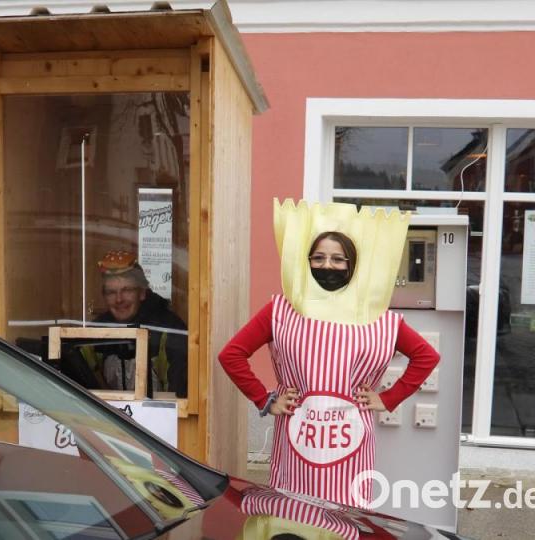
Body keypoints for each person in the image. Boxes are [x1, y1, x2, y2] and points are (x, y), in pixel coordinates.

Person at [218, 200, 440, 508]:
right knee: (293, 514)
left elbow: (426, 356)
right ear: (305, 262)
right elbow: (232, 354)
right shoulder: (281, 310)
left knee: (347, 520)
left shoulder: (378, 317)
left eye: (338, 259)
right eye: (319, 257)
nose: (328, 265)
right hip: (295, 447)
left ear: (353, 265)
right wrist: (265, 399)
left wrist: (387, 399)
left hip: (352, 450)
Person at [61, 250, 188, 397]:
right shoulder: (97, 332)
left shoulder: (169, 330)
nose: (119, 299)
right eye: (111, 292)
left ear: (142, 293)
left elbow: (179, 398)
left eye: (126, 290)